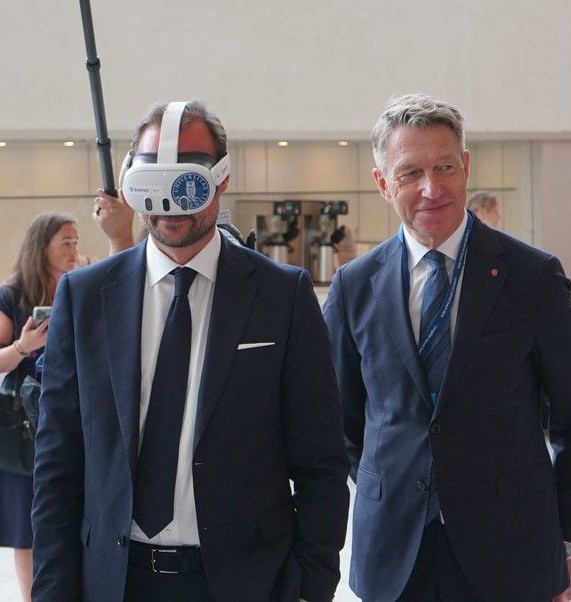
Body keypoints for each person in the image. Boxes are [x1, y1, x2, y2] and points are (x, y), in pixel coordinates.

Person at [31, 100, 350, 602]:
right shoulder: (86, 296)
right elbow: (57, 462)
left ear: (221, 179)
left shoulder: (281, 295)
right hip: (116, 578)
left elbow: (321, 463)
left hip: (244, 580)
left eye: (187, 178)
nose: (169, 201)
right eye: (153, 178)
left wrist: (310, 586)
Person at [323, 93, 571, 601]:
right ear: (383, 184)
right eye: (410, 173)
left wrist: (567, 539)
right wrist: (394, 482)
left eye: (445, 167)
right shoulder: (353, 286)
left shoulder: (533, 276)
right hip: (394, 551)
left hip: (510, 549)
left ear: (466, 167)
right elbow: (340, 419)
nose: (432, 188)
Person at [0, 212, 79, 602]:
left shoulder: (80, 285)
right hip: (25, 425)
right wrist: (23, 346)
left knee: (71, 515)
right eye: (66, 242)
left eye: (76, 241)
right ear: (41, 246)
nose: (74, 249)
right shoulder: (12, 294)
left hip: (72, 415)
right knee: (26, 528)